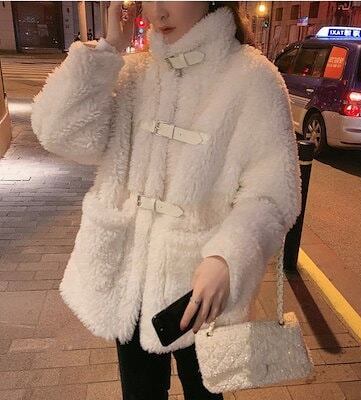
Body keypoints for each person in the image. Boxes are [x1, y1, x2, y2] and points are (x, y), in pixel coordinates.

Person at [30, 1, 302, 399]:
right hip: (128, 277)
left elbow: (273, 193)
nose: (158, 12)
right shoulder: (134, 73)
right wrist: (107, 49)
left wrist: (227, 257)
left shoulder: (252, 78)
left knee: (205, 393)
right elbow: (59, 133)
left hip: (199, 289)